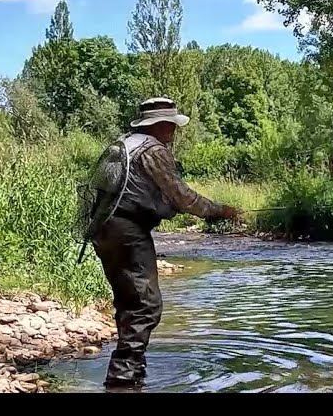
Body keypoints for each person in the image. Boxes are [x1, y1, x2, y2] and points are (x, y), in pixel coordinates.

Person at [92, 97, 240, 389]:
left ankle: (135, 371)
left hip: (104, 229)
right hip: (128, 231)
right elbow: (181, 196)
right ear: (159, 125)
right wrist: (220, 210)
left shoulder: (122, 145)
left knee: (128, 302)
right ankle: (122, 378)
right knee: (147, 306)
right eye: (171, 125)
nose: (173, 132)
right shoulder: (152, 150)